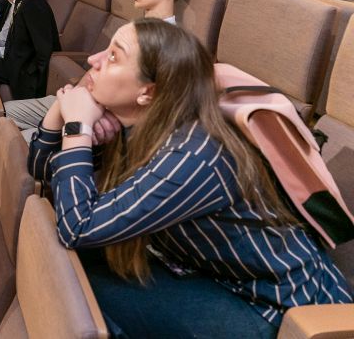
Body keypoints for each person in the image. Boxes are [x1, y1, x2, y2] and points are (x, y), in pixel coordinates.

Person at [28, 18, 353, 339]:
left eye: (114, 56)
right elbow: (45, 174)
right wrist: (61, 110)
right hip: (206, 273)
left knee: (75, 287)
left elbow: (77, 228)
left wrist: (78, 128)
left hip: (276, 305)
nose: (93, 60)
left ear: (147, 92)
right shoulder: (135, 124)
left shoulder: (195, 155)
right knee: (69, 266)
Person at [5, 0, 195, 140]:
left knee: (13, 142)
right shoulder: (134, 28)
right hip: (77, 98)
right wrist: (73, 96)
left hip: (97, 116)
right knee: (2, 112)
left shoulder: (168, 44)